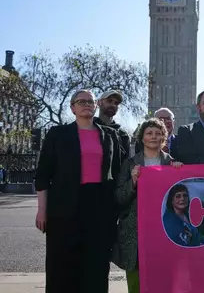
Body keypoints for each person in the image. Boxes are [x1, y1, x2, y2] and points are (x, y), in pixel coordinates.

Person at [34, 89, 121, 293]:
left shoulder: (109, 136)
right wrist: (42, 209)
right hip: (64, 207)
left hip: (99, 207)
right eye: (81, 101)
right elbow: (43, 174)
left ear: (96, 106)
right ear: (73, 108)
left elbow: (116, 174)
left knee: (96, 266)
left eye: (90, 101)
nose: (86, 104)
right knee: (62, 265)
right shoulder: (58, 134)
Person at [113, 118, 182, 293]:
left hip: (165, 231)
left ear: (163, 138)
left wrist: (180, 174)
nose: (153, 137)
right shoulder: (129, 164)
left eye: (158, 134)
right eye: (149, 133)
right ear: (142, 137)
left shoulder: (173, 165)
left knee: (165, 282)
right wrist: (133, 183)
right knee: (136, 284)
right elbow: (119, 197)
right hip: (136, 233)